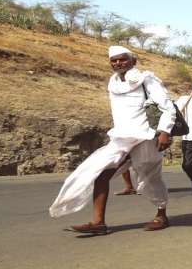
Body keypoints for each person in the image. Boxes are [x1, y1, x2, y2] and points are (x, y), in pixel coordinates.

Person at [49, 46, 175, 234]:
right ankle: (98, 222)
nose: (118, 63)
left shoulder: (146, 79)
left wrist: (164, 131)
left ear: (133, 61)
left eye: (122, 59)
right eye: (113, 60)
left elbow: (168, 107)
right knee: (99, 174)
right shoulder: (113, 82)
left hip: (145, 137)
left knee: (150, 178)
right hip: (121, 138)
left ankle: (161, 215)